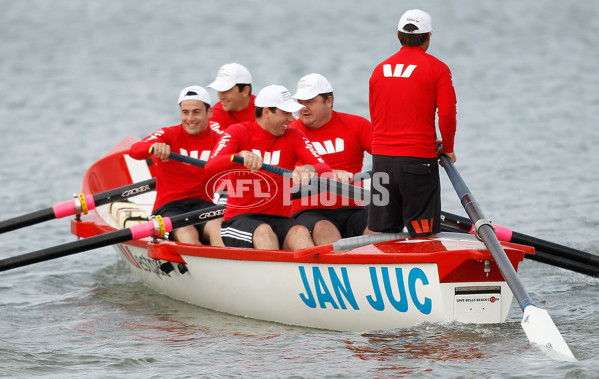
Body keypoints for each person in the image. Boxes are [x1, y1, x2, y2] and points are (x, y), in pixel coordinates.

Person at [204, 85, 332, 250]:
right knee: (264, 232)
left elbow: (326, 169)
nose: (292, 119)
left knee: (300, 231)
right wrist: (238, 157)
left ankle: (306, 273)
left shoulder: (294, 136)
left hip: (279, 219)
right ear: (266, 113)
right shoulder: (238, 132)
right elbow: (210, 168)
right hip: (238, 220)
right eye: (285, 113)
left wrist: (310, 168)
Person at [368, 9, 457, 238]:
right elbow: (446, 114)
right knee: (424, 236)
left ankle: (379, 270)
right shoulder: (438, 69)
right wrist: (447, 148)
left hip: (381, 162)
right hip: (417, 163)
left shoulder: (379, 70)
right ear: (428, 37)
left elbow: (376, 117)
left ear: (398, 34)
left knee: (382, 233)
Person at [129, 85, 224, 246]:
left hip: (203, 205)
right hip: (169, 207)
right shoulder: (167, 134)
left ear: (209, 113)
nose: (190, 118)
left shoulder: (220, 140)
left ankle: (225, 266)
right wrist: (153, 147)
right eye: (185, 112)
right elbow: (135, 151)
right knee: (187, 232)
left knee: (218, 229)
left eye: (196, 112)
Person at [289, 73, 374, 245]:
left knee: (381, 225)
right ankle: (348, 266)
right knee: (325, 231)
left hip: (353, 208)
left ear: (329, 101)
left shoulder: (357, 125)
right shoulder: (290, 132)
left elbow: (389, 154)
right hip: (309, 212)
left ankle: (382, 264)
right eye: (300, 103)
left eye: (310, 102)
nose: (303, 108)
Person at [207, 62, 256, 134]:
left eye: (225, 90)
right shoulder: (215, 113)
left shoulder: (266, 110)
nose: (220, 97)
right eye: (219, 90)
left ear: (245, 91)